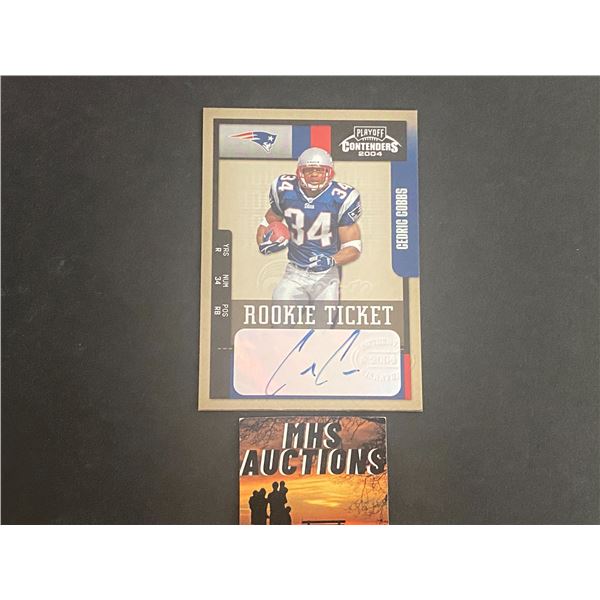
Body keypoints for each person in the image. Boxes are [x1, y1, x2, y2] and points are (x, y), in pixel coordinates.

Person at [256, 147, 362, 302]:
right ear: (300, 172)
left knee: (324, 318)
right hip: (294, 272)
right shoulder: (285, 190)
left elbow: (353, 247)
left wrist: (331, 260)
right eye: (309, 170)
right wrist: (263, 243)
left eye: (319, 170)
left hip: (326, 275)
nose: (314, 174)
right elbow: (267, 222)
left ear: (329, 173)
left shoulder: (342, 198)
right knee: (280, 315)